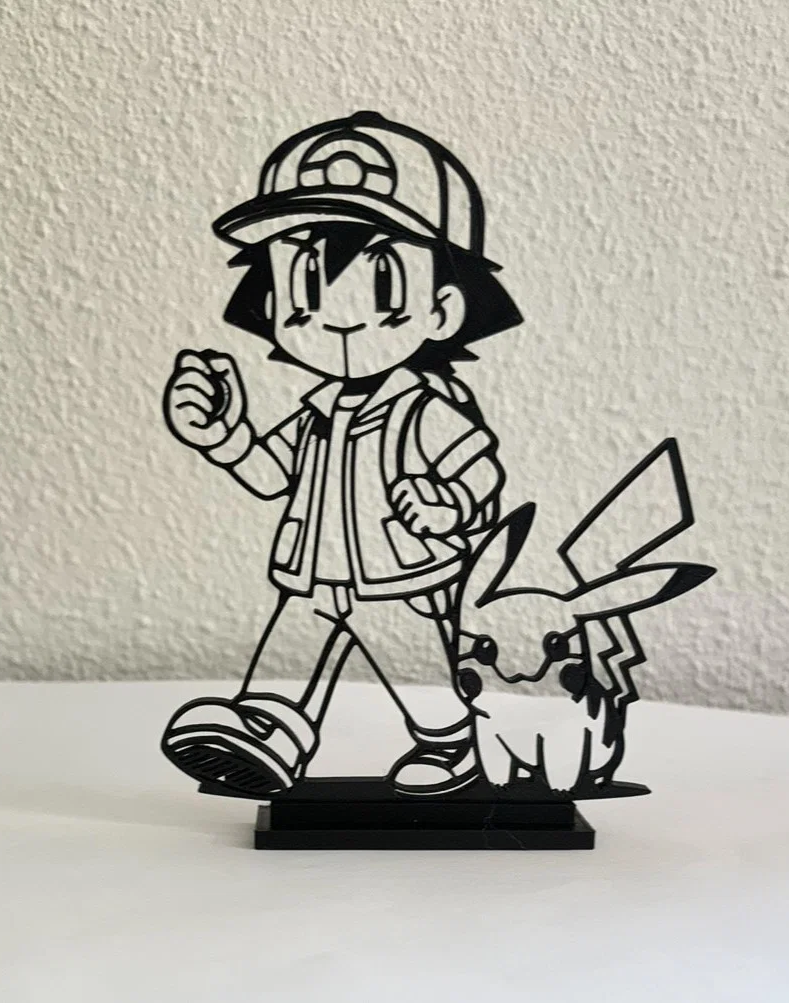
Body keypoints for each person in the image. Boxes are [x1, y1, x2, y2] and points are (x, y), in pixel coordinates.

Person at [161, 111, 522, 797]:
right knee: (286, 655)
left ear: (442, 309)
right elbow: (273, 474)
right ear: (271, 305)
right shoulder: (319, 409)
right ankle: (267, 733)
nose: (343, 315)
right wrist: (223, 436)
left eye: (383, 286)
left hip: (400, 577)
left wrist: (447, 507)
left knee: (415, 669)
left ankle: (451, 746)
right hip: (313, 570)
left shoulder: (423, 408)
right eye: (304, 291)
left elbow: (480, 472)